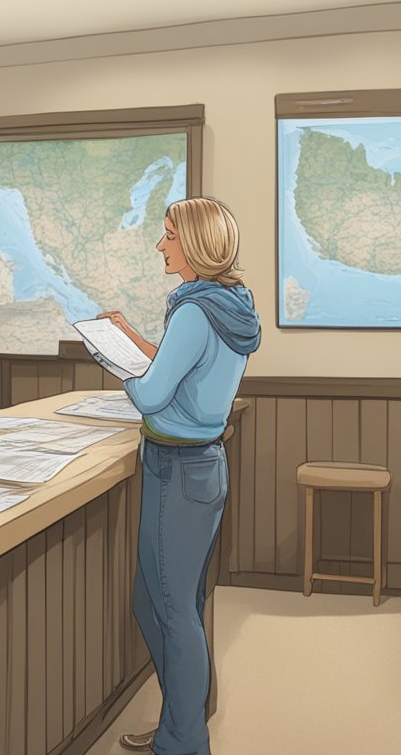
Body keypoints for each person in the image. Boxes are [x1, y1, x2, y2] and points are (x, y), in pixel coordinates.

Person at [102, 198, 260, 755]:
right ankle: (179, 723)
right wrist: (138, 341)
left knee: (170, 610)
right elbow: (181, 365)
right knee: (162, 605)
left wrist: (115, 357)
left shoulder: (194, 310)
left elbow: (150, 392)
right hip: (196, 469)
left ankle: (184, 743)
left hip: (179, 471)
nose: (160, 245)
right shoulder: (228, 302)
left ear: (193, 245)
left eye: (168, 235)